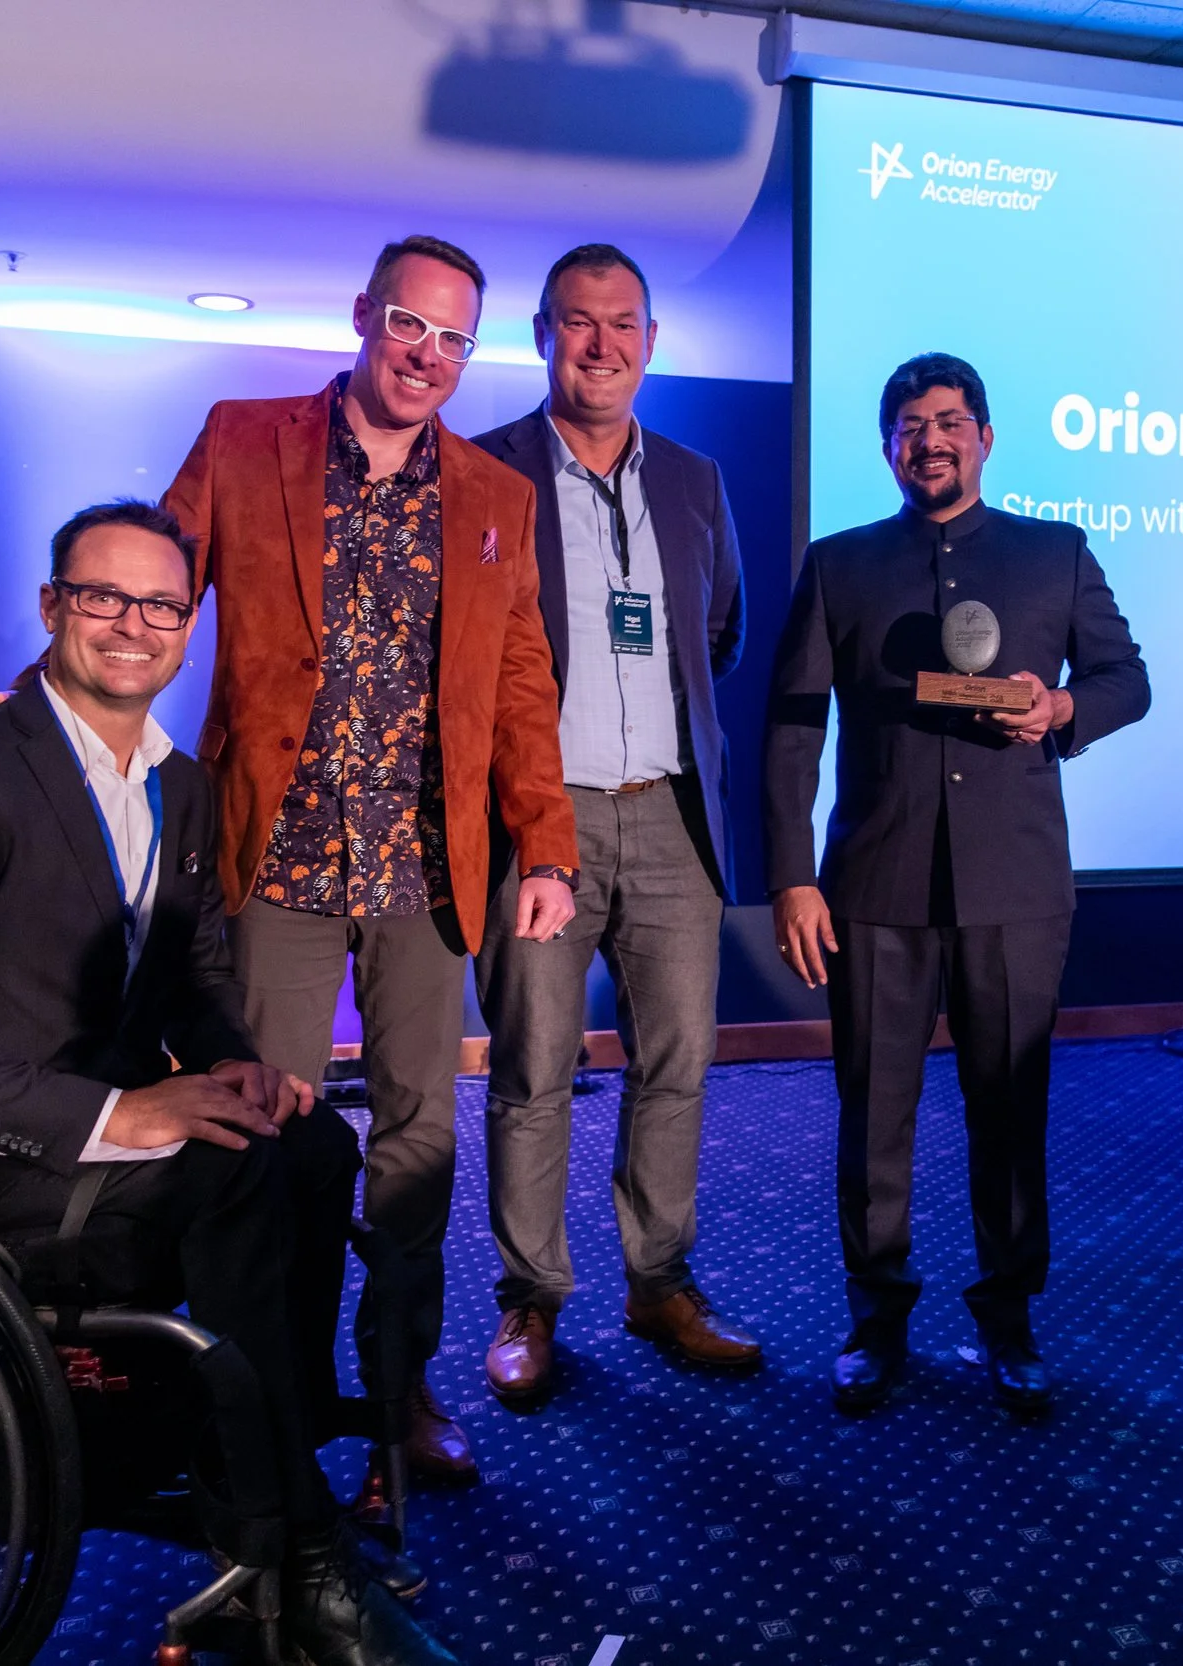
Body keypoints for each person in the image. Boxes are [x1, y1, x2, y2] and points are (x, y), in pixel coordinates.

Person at [0, 499, 458, 1665]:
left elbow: (193, 973)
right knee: (233, 1182)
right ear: (51, 606)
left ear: (187, 624)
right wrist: (118, 1111)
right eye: (103, 597)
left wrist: (231, 1058)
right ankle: (294, 1553)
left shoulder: (183, 784)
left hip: (101, 1132)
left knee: (311, 1146)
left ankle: (254, 1479)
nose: (133, 625)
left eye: (161, 605)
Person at [162, 235, 580, 1499]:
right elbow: (154, 589)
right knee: (269, 1139)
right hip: (280, 858)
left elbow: (521, 686)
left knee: (416, 1147)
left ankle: (400, 1389)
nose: (427, 356)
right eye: (409, 324)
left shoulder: (495, 495)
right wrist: (49, 702)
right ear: (363, 315)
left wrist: (546, 844)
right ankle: (266, 1396)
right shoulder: (245, 440)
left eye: (455, 339)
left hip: (425, 874)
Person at [764, 353, 1151, 1417]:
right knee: (872, 1112)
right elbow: (792, 732)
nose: (929, 440)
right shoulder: (839, 565)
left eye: (948, 421)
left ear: (984, 437)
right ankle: (876, 1317)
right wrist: (792, 878)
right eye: (909, 425)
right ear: (887, 445)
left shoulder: (1054, 553)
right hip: (873, 884)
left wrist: (1059, 709)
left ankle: (1009, 1317)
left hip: (1015, 883)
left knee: (1009, 1113)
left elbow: (1126, 678)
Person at [468, 244, 757, 1406]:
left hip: (674, 813)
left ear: (651, 339)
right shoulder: (482, 471)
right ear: (543, 334)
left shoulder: (694, 479)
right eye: (579, 323)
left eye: (623, 322)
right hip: (541, 819)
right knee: (534, 1064)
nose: (602, 344)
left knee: (678, 1061)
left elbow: (718, 630)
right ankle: (529, 1299)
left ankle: (658, 1281)